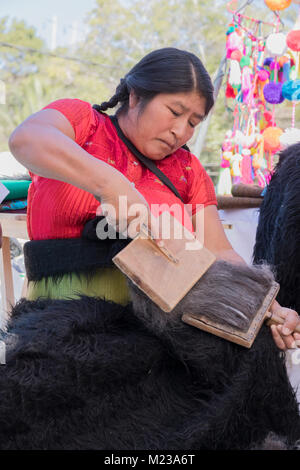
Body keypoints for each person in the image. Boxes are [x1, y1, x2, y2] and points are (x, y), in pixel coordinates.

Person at [4, 47, 300, 450]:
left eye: (194, 121)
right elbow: (27, 139)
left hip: (160, 334)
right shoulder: (83, 124)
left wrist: (269, 305)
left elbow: (220, 252)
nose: (182, 130)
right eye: (175, 111)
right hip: (60, 326)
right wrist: (113, 186)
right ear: (135, 95)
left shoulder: (189, 171)